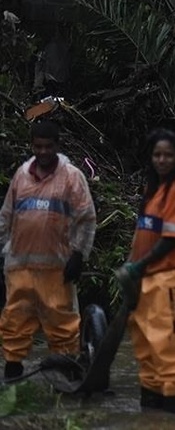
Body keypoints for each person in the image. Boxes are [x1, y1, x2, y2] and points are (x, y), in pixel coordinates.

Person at [0, 118, 96, 380]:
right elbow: (6, 216)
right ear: (32, 145)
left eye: (48, 146)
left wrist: (78, 254)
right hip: (19, 265)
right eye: (38, 146)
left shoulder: (72, 178)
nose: (43, 152)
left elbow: (86, 219)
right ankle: (13, 370)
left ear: (57, 145)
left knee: (61, 322)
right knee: (15, 321)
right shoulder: (21, 175)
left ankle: (66, 375)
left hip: (57, 267)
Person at [117, 128, 175, 413]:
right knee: (145, 344)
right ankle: (150, 416)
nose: (162, 160)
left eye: (168, 155)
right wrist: (131, 264)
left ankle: (170, 417)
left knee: (170, 349)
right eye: (157, 155)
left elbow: (171, 239)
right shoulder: (154, 191)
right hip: (147, 277)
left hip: (171, 276)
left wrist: (138, 265)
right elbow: (143, 235)